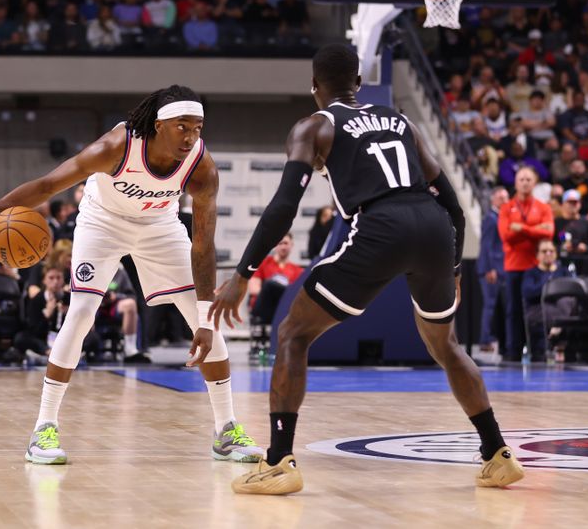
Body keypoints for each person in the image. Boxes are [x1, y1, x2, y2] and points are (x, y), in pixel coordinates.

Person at [211, 44, 524, 495]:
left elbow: (283, 205)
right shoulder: (402, 121)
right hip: (434, 227)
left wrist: (243, 273)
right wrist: (454, 266)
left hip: (380, 225)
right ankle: (497, 453)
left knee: (293, 335)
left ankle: (279, 462)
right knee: (447, 345)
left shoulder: (314, 125)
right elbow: (453, 204)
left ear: (314, 86)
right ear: (359, 83)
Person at [0, 85, 262, 465]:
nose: (191, 135)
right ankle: (43, 429)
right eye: (182, 126)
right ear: (159, 125)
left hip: (160, 225)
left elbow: (203, 246)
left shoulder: (201, 166)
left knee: (205, 320)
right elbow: (49, 185)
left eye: (197, 127)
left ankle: (226, 430)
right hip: (103, 222)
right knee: (80, 314)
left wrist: (205, 316)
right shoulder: (115, 146)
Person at [498, 167, 555, 361]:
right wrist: (535, 229)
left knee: (536, 310)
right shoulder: (506, 208)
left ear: (535, 182)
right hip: (513, 266)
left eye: (528, 179)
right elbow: (506, 236)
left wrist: (521, 228)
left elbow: (549, 232)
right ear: (515, 182)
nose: (524, 182)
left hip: (535, 266)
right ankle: (513, 351)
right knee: (513, 311)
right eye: (521, 179)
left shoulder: (543, 207)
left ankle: (538, 352)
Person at [15, 265, 101, 366]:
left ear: (63, 280)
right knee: (21, 338)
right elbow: (33, 330)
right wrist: (47, 314)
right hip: (44, 340)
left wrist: (69, 314)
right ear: (44, 280)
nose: (55, 281)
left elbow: (82, 327)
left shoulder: (70, 298)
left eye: (58, 278)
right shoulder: (37, 299)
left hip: (66, 340)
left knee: (93, 338)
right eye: (51, 278)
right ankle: (48, 353)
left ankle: (60, 355)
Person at [521, 240, 572, 362]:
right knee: (552, 308)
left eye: (551, 251)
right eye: (544, 251)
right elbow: (529, 293)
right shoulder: (531, 273)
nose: (548, 254)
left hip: (561, 307)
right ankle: (558, 326)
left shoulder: (564, 271)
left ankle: (558, 326)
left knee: (567, 302)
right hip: (538, 309)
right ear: (537, 255)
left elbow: (572, 290)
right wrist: (549, 278)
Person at [477, 187, 508, 353]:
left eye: (506, 198)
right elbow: (487, 245)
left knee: (494, 306)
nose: (504, 200)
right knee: (489, 305)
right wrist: (489, 268)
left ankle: (490, 338)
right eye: (501, 197)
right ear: (493, 199)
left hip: (500, 268)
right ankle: (485, 339)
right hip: (491, 269)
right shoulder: (490, 218)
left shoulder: (500, 217)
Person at [248, 233, 303, 324]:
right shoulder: (263, 264)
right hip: (264, 308)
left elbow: (298, 296)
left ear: (291, 245)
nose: (283, 247)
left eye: (285, 243)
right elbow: (253, 289)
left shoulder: (297, 270)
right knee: (269, 285)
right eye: (280, 243)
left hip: (284, 309)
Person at [553, 189, 588, 274]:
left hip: (584, 263)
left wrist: (585, 248)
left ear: (580, 204)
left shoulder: (587, 223)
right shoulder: (556, 222)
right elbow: (552, 244)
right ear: (563, 204)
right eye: (570, 202)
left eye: (576, 202)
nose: (573, 205)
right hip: (562, 262)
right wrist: (562, 248)